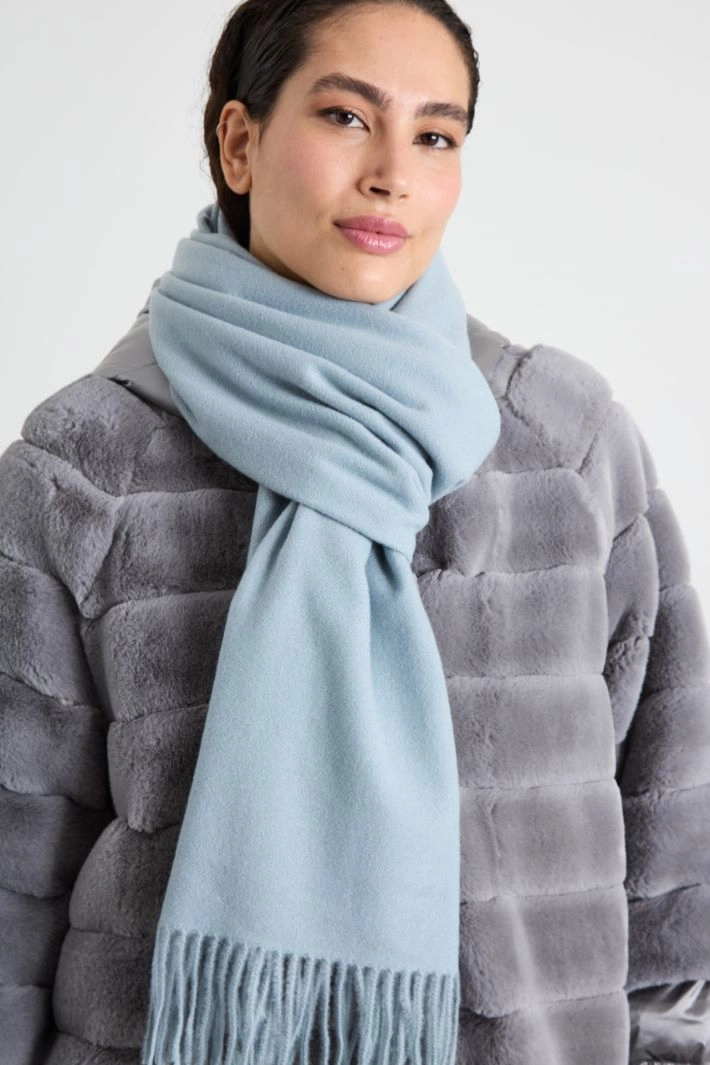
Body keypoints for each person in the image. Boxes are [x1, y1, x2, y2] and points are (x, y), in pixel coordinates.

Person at [1, 0, 708, 1062]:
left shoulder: (564, 447)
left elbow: (672, 868)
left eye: (435, 135)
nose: (392, 174)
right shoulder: (87, 467)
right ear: (239, 143)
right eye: (345, 117)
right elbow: (14, 894)